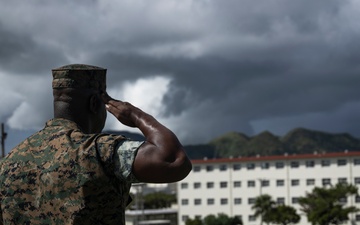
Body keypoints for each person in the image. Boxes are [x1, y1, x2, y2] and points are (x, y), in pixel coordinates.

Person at [0, 64, 192, 224]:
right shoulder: (98, 151)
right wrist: (136, 115)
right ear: (94, 103)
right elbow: (173, 160)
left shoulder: (7, 164)